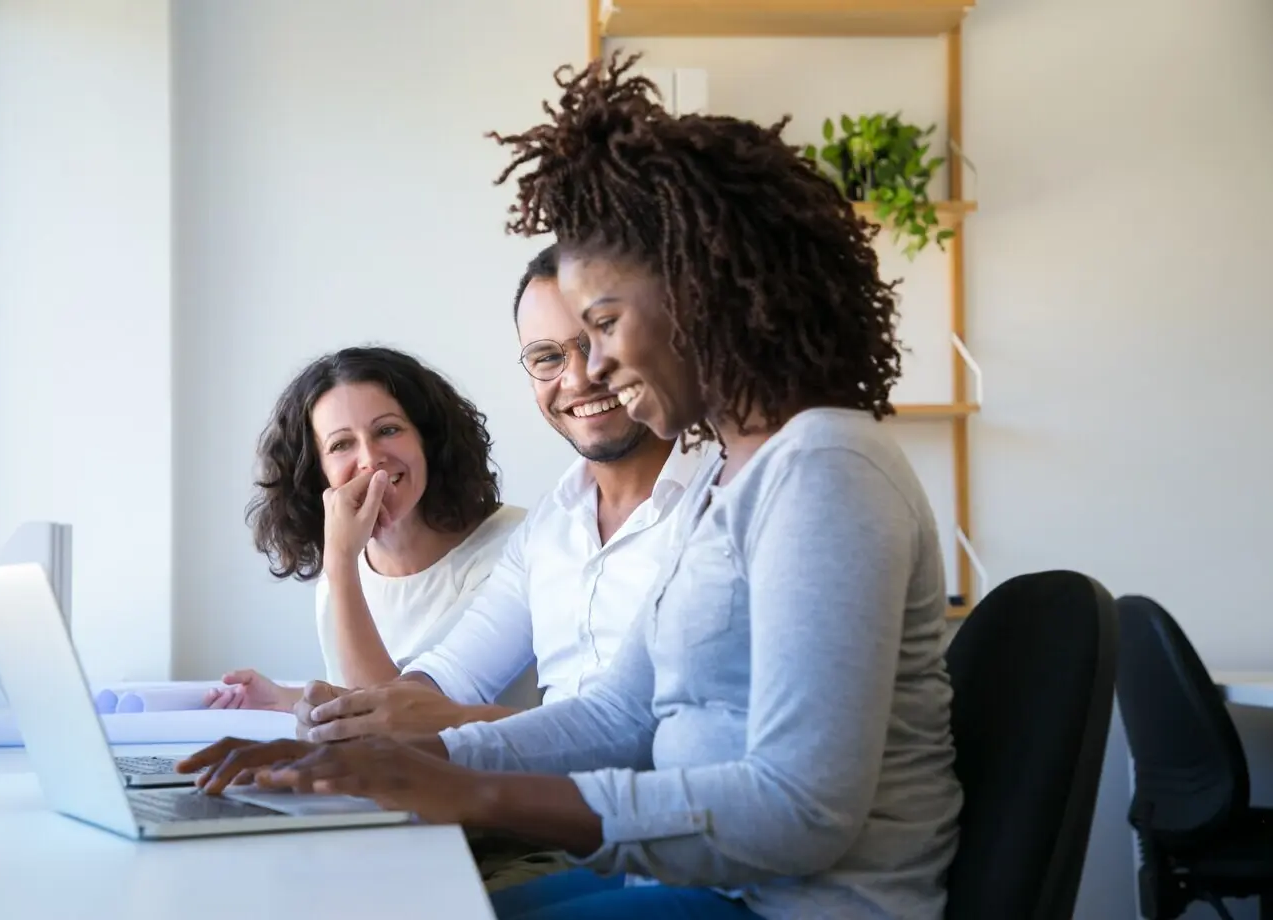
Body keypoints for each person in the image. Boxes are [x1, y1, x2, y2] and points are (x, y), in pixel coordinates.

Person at [179, 51, 963, 920]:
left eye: (603, 323)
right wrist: (406, 765)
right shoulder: (728, 482)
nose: (593, 367)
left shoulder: (826, 468)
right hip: (689, 884)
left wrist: (470, 792)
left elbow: (799, 812)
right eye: (565, 343)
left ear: (699, 292)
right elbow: (618, 715)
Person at [287, 244, 719, 740]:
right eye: (548, 357)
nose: (578, 377)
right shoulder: (550, 527)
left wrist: (441, 719)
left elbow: (682, 737)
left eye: (600, 340)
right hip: (541, 805)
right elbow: (448, 678)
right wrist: (347, 714)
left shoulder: (724, 496)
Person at [204, 345, 526, 712]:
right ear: (317, 472)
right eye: (341, 444)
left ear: (429, 441)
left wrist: (340, 563)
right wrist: (282, 699)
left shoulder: (514, 546)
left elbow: (388, 721)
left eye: (388, 430)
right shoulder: (343, 572)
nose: (370, 459)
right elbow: (358, 697)